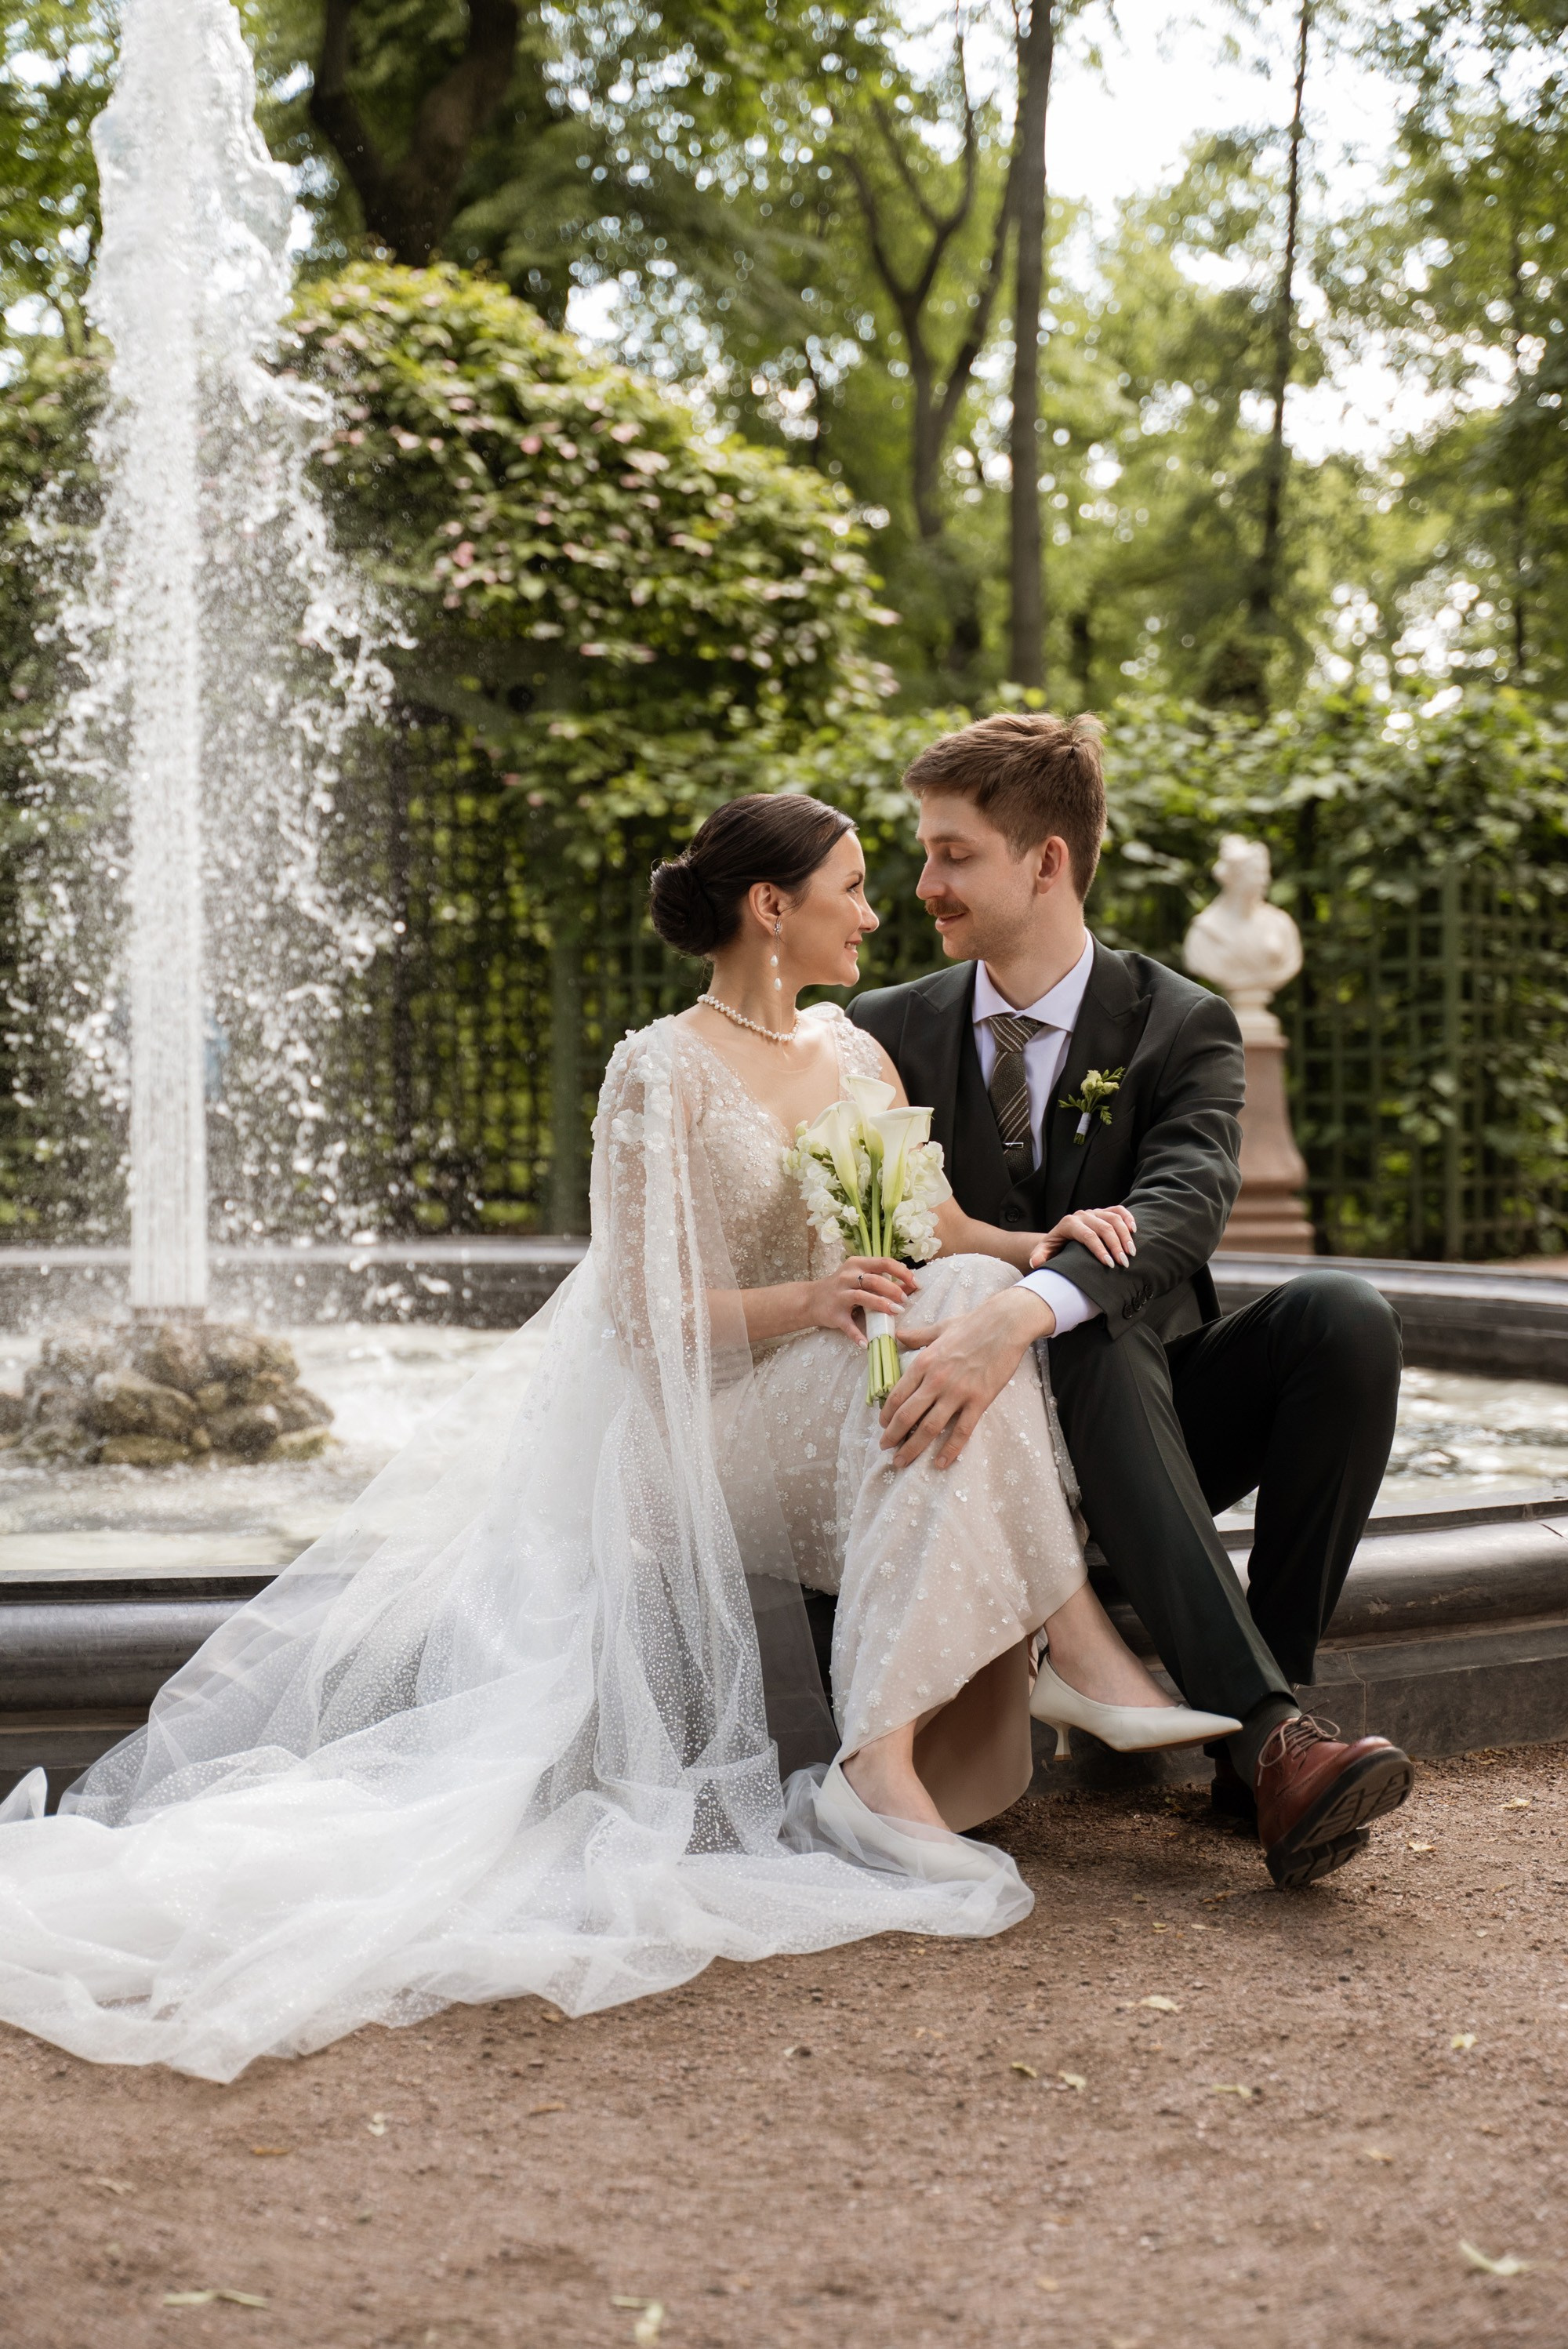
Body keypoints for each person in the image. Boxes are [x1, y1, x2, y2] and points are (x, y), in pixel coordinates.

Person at [0, 792, 1228, 2082]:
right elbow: (644, 1321)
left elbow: (938, 1230)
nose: (878, 912)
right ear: (773, 907)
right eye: (854, 887)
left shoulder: (856, 1055)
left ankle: (888, 1759)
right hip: (699, 1430)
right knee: (960, 1333)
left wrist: (1045, 1246)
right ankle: (1057, 1648)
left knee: (983, 1304)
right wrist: (812, 1299)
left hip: (830, 1394)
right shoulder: (660, 1068)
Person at [849, 712, 1414, 1889]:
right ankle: (1271, 1747)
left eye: (954, 853)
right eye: (926, 852)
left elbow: (1185, 1204)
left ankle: (1264, 1716)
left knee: (1342, 1320)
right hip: (961, 1442)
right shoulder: (882, 1031)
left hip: (1146, 1438)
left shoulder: (1180, 1022)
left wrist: (1028, 1306)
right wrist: (1014, 1295)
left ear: (1045, 860)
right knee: (1086, 1325)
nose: (925, 884)